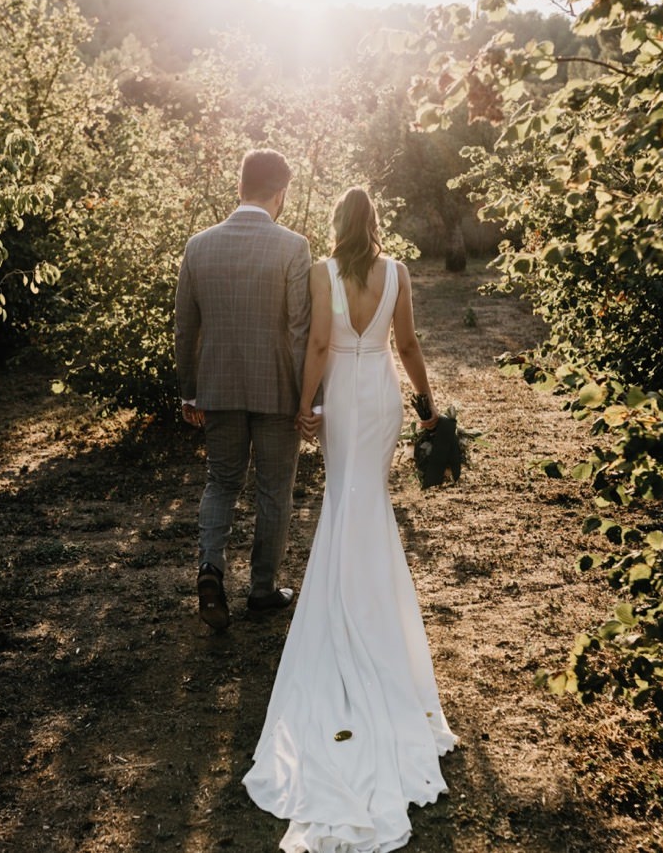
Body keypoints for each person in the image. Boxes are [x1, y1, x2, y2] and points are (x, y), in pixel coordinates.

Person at [243, 187, 456, 851]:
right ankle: (371, 604)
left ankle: (346, 603)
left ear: (339, 224)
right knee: (367, 501)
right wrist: (426, 407)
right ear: (378, 223)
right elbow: (410, 344)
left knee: (345, 497)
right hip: (381, 398)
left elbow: (316, 349)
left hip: (341, 394)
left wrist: (305, 406)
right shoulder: (396, 273)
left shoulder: (322, 271)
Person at [175, 149, 313, 630]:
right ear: (280, 193)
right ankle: (262, 590)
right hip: (277, 389)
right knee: (275, 491)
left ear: (240, 187)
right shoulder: (293, 247)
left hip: (218, 387)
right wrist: (306, 397)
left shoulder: (199, 245)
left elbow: (184, 327)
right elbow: (300, 328)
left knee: (221, 482)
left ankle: (210, 568)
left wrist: (190, 390)